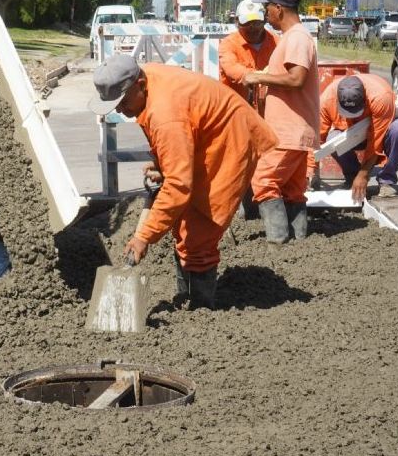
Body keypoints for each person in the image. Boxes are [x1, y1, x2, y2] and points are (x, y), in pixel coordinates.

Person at [88, 55, 278, 309]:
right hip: (203, 136)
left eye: (122, 102)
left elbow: (179, 185)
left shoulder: (165, 114)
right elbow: (175, 139)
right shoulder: (145, 80)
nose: (120, 110)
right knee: (182, 222)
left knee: (198, 232)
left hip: (229, 139)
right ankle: (185, 298)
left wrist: (144, 236)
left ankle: (201, 309)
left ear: (140, 84)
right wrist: (163, 163)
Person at [242, 0, 320, 244]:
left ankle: (278, 242)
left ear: (278, 9)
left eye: (267, 8)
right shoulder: (293, 37)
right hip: (295, 129)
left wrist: (259, 78)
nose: (265, 13)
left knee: (263, 180)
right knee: (292, 189)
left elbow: (297, 79)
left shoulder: (297, 37)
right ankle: (298, 243)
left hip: (288, 129)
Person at [316, 74, 398, 203]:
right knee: (332, 139)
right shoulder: (327, 100)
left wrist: (364, 174)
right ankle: (352, 177)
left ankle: (386, 180)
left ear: (364, 100)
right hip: (351, 133)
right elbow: (317, 141)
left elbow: (376, 141)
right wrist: (311, 173)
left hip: (382, 131)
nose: (352, 116)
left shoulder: (380, 97)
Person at [218, 0, 278, 109]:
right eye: (247, 23)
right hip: (235, 110)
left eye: (256, 23)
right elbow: (232, 69)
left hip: (268, 111)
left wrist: (258, 77)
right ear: (237, 22)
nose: (252, 28)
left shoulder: (277, 43)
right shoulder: (228, 44)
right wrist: (260, 76)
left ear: (264, 20)